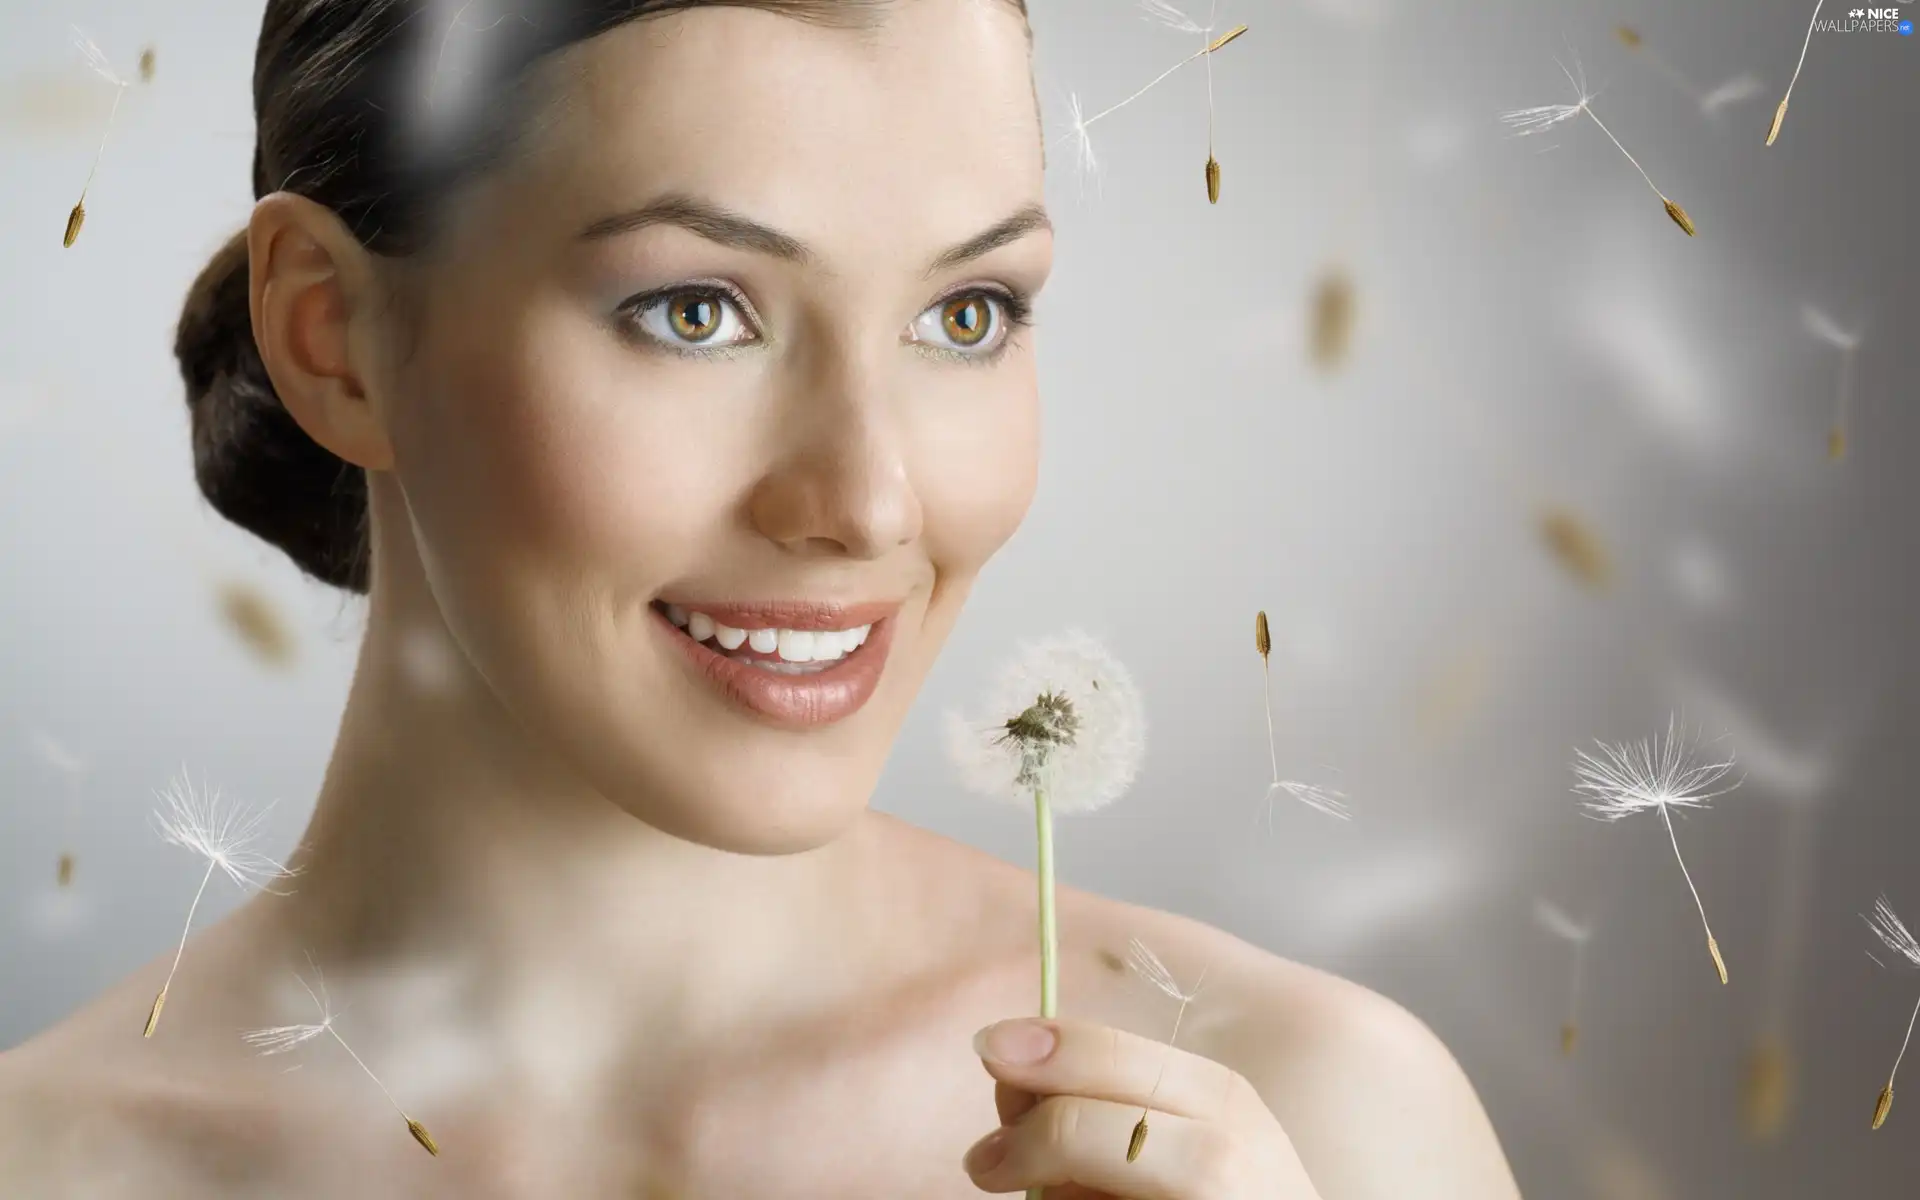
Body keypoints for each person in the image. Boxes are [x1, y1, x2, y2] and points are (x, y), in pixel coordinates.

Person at [0, 1, 1522, 1195]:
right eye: (697, 310)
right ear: (333, 337)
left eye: (967, 312)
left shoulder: (1310, 1117)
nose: (870, 502)